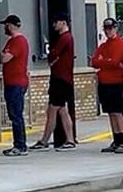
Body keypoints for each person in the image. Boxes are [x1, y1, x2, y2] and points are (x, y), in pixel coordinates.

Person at [30, 13, 77, 151]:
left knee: (52, 110)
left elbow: (53, 55)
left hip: (60, 79)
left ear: (63, 23)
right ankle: (70, 139)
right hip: (62, 78)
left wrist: (53, 57)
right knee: (62, 110)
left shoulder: (65, 38)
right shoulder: (67, 38)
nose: (54, 25)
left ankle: (45, 140)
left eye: (56, 22)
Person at [91, 18, 123, 153]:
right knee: (110, 112)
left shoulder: (121, 43)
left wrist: (104, 61)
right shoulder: (104, 45)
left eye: (111, 28)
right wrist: (105, 62)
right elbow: (94, 61)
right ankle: (116, 138)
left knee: (117, 112)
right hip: (104, 82)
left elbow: (115, 61)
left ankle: (122, 140)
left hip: (116, 82)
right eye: (106, 28)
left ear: (116, 28)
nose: (108, 31)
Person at [0, 14, 29, 156]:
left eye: (6, 24)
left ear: (12, 25)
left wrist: (3, 55)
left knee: (16, 115)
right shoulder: (11, 42)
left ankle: (20, 145)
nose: (5, 27)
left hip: (16, 83)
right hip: (10, 82)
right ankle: (19, 144)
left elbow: (4, 58)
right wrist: (2, 55)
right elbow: (1, 57)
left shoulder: (18, 41)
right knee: (14, 114)